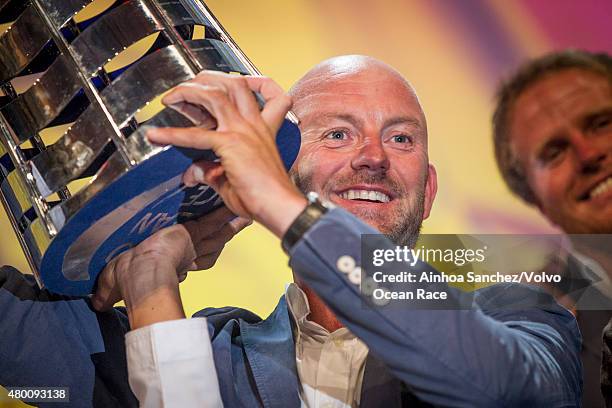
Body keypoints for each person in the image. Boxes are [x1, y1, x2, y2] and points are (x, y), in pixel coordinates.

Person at [0, 56, 582, 407]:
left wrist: (286, 206)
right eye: (337, 134)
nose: (374, 158)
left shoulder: (522, 316)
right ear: (276, 169)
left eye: (401, 139)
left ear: (427, 192)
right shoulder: (201, 346)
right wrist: (150, 270)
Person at [492, 49, 612, 407]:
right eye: (554, 152)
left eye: (602, 123)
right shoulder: (532, 349)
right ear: (536, 200)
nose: (588, 153)